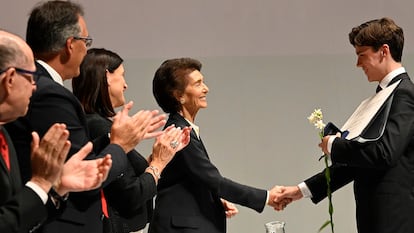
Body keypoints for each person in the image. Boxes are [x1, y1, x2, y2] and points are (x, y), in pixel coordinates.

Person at [4, 1, 173, 233]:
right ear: (70, 45)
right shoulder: (51, 94)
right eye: (86, 41)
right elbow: (90, 178)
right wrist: (120, 145)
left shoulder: (52, 92)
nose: (31, 85)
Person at [274, 17, 414, 233]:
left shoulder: (404, 94)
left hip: (395, 219)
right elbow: (359, 162)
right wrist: (301, 190)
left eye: (361, 55)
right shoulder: (386, 95)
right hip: (377, 218)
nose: (358, 64)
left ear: (384, 51)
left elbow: (385, 154)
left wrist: (334, 145)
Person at [149, 57, 285, 233]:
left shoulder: (182, 128)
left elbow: (192, 181)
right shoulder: (179, 132)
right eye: (198, 84)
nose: (206, 89)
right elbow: (215, 181)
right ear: (179, 95)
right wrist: (267, 197)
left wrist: (213, 200)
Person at [0, 29, 112, 233]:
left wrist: (57, 187)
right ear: (9, 79)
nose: (34, 87)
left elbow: (13, 212)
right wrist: (41, 183)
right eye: (31, 77)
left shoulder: (4, 133)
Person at [72, 48, 191, 233]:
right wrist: (158, 163)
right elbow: (130, 195)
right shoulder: (98, 127)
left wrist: (160, 154)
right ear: (106, 77)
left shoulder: (98, 124)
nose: (126, 85)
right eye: (122, 75)